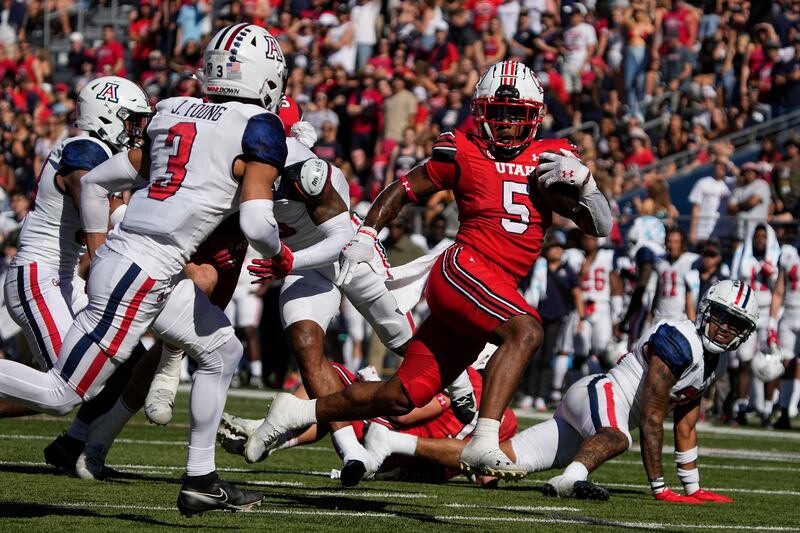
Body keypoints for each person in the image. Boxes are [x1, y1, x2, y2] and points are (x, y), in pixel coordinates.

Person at [244, 60, 612, 479]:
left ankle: (295, 412)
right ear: (480, 112)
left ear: (534, 116)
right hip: (465, 268)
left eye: (516, 114)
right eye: (498, 112)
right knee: (526, 331)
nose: (506, 123)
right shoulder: (464, 149)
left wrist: (587, 188)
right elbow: (403, 189)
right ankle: (484, 439)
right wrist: (367, 233)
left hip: (494, 287)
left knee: (400, 396)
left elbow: (600, 226)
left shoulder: (551, 157)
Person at [0, 23, 288, 516]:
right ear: (264, 76)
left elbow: (96, 184)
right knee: (62, 393)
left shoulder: (174, 110)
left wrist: (98, 252)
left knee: (222, 349)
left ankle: (200, 480)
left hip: (141, 264)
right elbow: (258, 224)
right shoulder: (257, 127)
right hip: (142, 271)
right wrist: (279, 253)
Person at [364, 280, 758, 503]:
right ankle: (570, 478)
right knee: (618, 436)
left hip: (598, 411)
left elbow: (685, 425)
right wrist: (661, 488)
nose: (725, 328)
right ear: (706, 309)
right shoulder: (679, 338)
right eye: (722, 317)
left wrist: (694, 488)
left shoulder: (714, 362)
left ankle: (392, 441)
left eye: (735, 324)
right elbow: (654, 417)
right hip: (602, 394)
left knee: (497, 461)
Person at [219, 361, 516, 486]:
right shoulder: (507, 421)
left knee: (330, 376)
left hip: (382, 439)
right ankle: (272, 442)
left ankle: (264, 429)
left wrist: (372, 381)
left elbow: (403, 414)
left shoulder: (465, 382)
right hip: (407, 464)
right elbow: (487, 475)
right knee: (331, 407)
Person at [730, 223, 781, 426]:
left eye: (763, 237)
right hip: (747, 313)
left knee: (770, 363)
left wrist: (773, 274)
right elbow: (735, 280)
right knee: (744, 360)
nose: (759, 240)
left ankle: (767, 410)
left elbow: (780, 290)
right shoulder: (744, 257)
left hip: (768, 314)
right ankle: (742, 405)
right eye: (756, 236)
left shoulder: (776, 258)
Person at [768, 239, 800, 429]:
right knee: (786, 364)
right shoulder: (788, 252)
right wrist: (772, 322)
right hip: (789, 314)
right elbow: (779, 291)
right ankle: (785, 412)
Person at [651, 228, 698, 323]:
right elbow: (656, 289)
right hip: (659, 317)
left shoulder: (692, 261)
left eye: (676, 242)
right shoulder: (659, 260)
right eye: (669, 242)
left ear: (683, 244)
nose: (673, 246)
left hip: (680, 319)